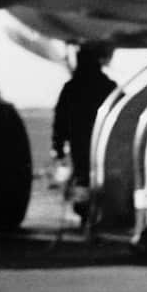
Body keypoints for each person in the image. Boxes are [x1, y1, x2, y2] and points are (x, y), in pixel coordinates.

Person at [51, 45, 116, 214]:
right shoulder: (109, 86)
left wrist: (58, 147)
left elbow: (60, 120)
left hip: (80, 143)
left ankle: (86, 212)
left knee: (83, 178)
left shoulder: (71, 88)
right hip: (104, 143)